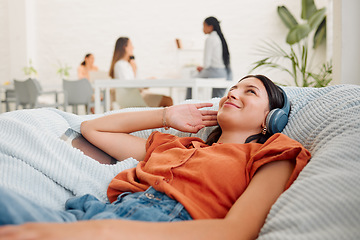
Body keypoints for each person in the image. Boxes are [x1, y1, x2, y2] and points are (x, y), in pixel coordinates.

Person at [0, 75, 311, 240]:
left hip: (149, 229)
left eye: (250, 92)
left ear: (270, 119)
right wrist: (166, 114)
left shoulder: (272, 152)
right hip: (87, 217)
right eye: (233, 87)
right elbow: (94, 129)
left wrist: (104, 232)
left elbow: (235, 232)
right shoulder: (182, 146)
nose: (233, 93)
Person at [109, 37, 173, 108]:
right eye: (131, 45)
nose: (133, 47)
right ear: (125, 47)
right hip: (133, 97)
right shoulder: (120, 64)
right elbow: (129, 85)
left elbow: (133, 82)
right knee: (168, 101)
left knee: (168, 100)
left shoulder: (126, 64)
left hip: (136, 95)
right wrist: (146, 81)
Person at [187, 16, 232, 99]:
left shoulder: (210, 39)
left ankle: (186, 106)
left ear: (210, 27)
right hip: (223, 73)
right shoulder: (220, 38)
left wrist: (203, 68)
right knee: (217, 98)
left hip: (213, 72)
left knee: (190, 82)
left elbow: (207, 64)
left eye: (204, 26)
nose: (202, 29)